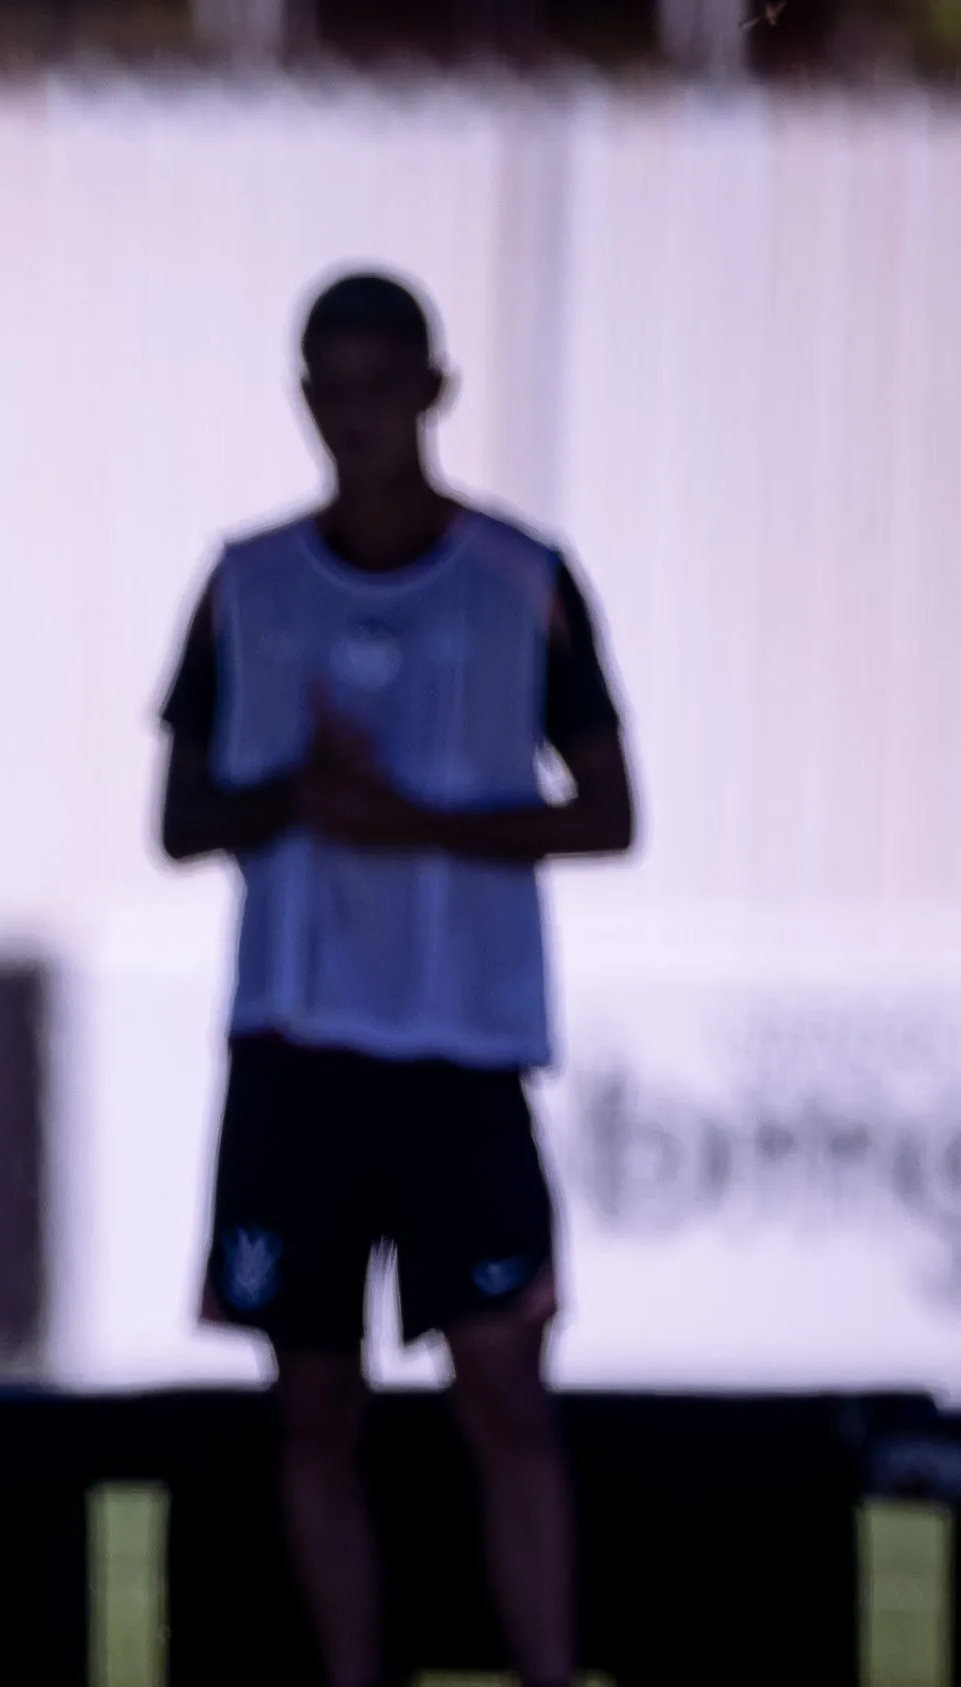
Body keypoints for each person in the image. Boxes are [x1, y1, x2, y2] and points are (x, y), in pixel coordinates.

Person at [157, 271, 638, 1687]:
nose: (356, 415)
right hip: (298, 1049)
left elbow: (608, 810)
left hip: (460, 1051)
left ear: (432, 390)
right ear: (305, 394)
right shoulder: (246, 584)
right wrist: (298, 795)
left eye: (383, 384)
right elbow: (182, 818)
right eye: (331, 385)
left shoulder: (522, 583)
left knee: (504, 1388)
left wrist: (416, 817)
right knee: (313, 1398)